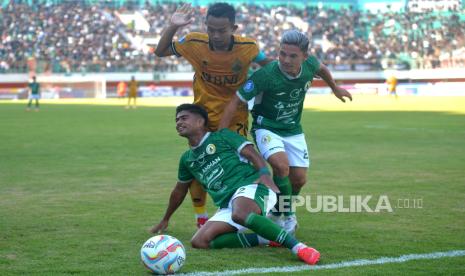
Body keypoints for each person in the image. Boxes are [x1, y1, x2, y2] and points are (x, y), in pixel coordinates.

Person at [150, 104, 320, 265]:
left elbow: (253, 155)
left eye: (184, 118)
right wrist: (165, 219)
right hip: (228, 204)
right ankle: (267, 238)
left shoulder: (222, 136)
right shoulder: (187, 159)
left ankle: (299, 247)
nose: (179, 122)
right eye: (177, 120)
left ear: (200, 121)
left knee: (240, 213)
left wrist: (265, 175)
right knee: (199, 241)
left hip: (252, 187)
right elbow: (179, 191)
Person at [219, 29, 352, 234]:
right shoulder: (266, 75)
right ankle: (289, 216)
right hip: (266, 127)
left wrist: (335, 88)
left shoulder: (310, 64)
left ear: (304, 57)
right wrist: (221, 131)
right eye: (282, 53)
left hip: (293, 130)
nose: (285, 59)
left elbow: (322, 69)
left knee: (299, 180)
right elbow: (237, 99)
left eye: (292, 55)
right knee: (281, 167)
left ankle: (276, 211)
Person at [155, 2, 270, 228]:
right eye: (211, 29)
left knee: (241, 166)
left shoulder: (249, 48)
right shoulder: (194, 42)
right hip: (202, 119)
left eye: (222, 30)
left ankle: (253, 209)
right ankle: (201, 218)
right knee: (200, 167)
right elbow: (161, 51)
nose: (215, 35)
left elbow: (269, 66)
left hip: (234, 119)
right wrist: (172, 27)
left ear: (233, 28)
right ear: (205, 25)